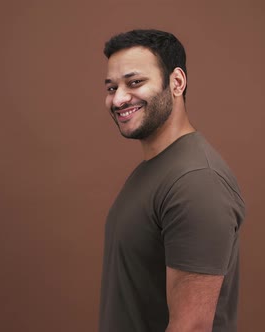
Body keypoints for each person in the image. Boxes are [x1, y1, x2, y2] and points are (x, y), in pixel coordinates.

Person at [99, 29, 246, 332]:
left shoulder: (197, 181)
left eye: (135, 82)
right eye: (112, 87)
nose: (119, 98)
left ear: (176, 82)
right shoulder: (157, 168)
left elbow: (191, 328)